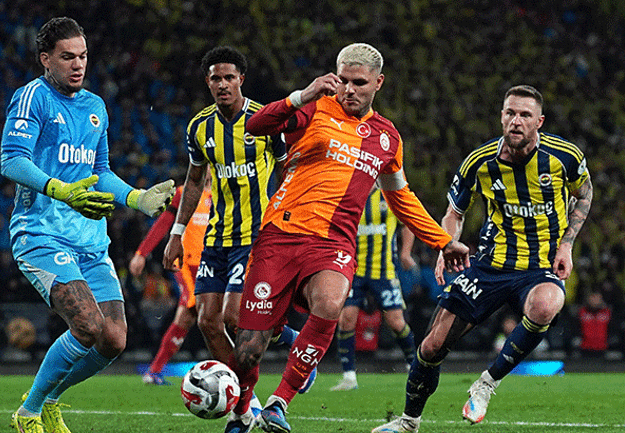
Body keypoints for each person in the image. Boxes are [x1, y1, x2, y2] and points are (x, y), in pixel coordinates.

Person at [227, 42, 470, 433]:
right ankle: (241, 412)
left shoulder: (387, 137)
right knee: (248, 352)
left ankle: (278, 403)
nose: (349, 89)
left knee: (330, 303)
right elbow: (255, 126)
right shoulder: (314, 108)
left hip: (333, 244)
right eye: (343, 80)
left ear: (378, 83)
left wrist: (443, 240)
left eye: (359, 82)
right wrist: (301, 95)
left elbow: (401, 198)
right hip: (280, 237)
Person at [372, 85, 592, 433]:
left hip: (539, 268)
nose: (516, 121)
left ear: (539, 122)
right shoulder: (480, 162)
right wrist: (447, 244)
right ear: (501, 116)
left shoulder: (563, 156)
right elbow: (455, 212)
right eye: (510, 113)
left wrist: (566, 245)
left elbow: (585, 192)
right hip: (490, 267)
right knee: (431, 347)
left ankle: (487, 383)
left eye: (525, 115)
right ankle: (408, 421)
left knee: (547, 305)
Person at [0, 17, 174, 433]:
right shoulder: (32, 98)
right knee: (87, 326)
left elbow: (101, 172)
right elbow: (12, 160)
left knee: (113, 339)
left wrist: (138, 198)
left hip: (90, 242)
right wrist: (60, 190)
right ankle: (28, 412)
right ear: (46, 59)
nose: (78, 65)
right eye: (67, 57)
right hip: (41, 233)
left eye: (82, 56)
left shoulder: (95, 106)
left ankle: (51, 399)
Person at [161, 46, 316, 432]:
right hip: (217, 239)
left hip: (256, 236)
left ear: (241, 80)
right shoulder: (199, 127)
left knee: (235, 316)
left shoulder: (265, 121)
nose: (222, 84)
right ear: (208, 82)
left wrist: (290, 221)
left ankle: (285, 342)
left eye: (229, 77)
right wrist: (177, 233)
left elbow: (288, 171)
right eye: (216, 78)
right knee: (208, 321)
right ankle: (245, 409)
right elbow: (194, 181)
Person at [331, 187, 418, 391]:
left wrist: (405, 253)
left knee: (396, 322)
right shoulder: (350, 193)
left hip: (384, 271)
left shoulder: (389, 193)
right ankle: (349, 377)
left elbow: (408, 223)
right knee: (346, 319)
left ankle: (414, 366)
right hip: (354, 271)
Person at [129, 178, 212, 385]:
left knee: (186, 318)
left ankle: (154, 372)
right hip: (186, 264)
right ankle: (230, 368)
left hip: (212, 264)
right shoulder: (184, 193)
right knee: (199, 308)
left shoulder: (223, 194)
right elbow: (164, 222)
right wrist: (141, 253)